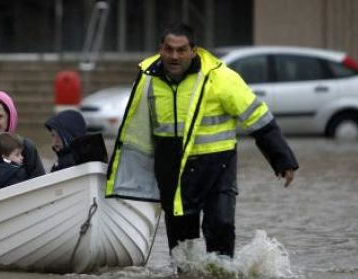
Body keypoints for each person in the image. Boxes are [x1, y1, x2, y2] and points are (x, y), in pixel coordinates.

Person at [105, 23, 299, 258]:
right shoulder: (148, 78)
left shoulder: (220, 77)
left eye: (181, 50)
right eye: (169, 49)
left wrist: (283, 160)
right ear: (160, 49)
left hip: (217, 165)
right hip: (172, 167)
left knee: (221, 226)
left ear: (193, 50)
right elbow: (137, 127)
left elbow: (258, 117)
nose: (174, 56)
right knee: (181, 245)